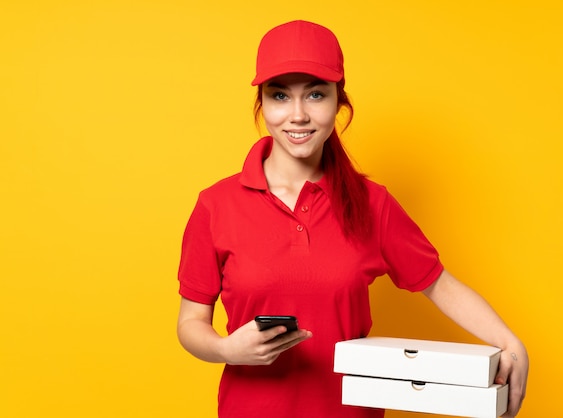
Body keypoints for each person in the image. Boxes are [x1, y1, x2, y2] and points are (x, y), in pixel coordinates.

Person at [177, 20, 528, 418]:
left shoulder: (372, 204)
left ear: (338, 102)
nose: (297, 115)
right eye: (280, 96)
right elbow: (191, 323)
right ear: (262, 104)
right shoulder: (216, 205)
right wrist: (225, 349)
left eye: (315, 94)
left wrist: (510, 342)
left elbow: (439, 285)